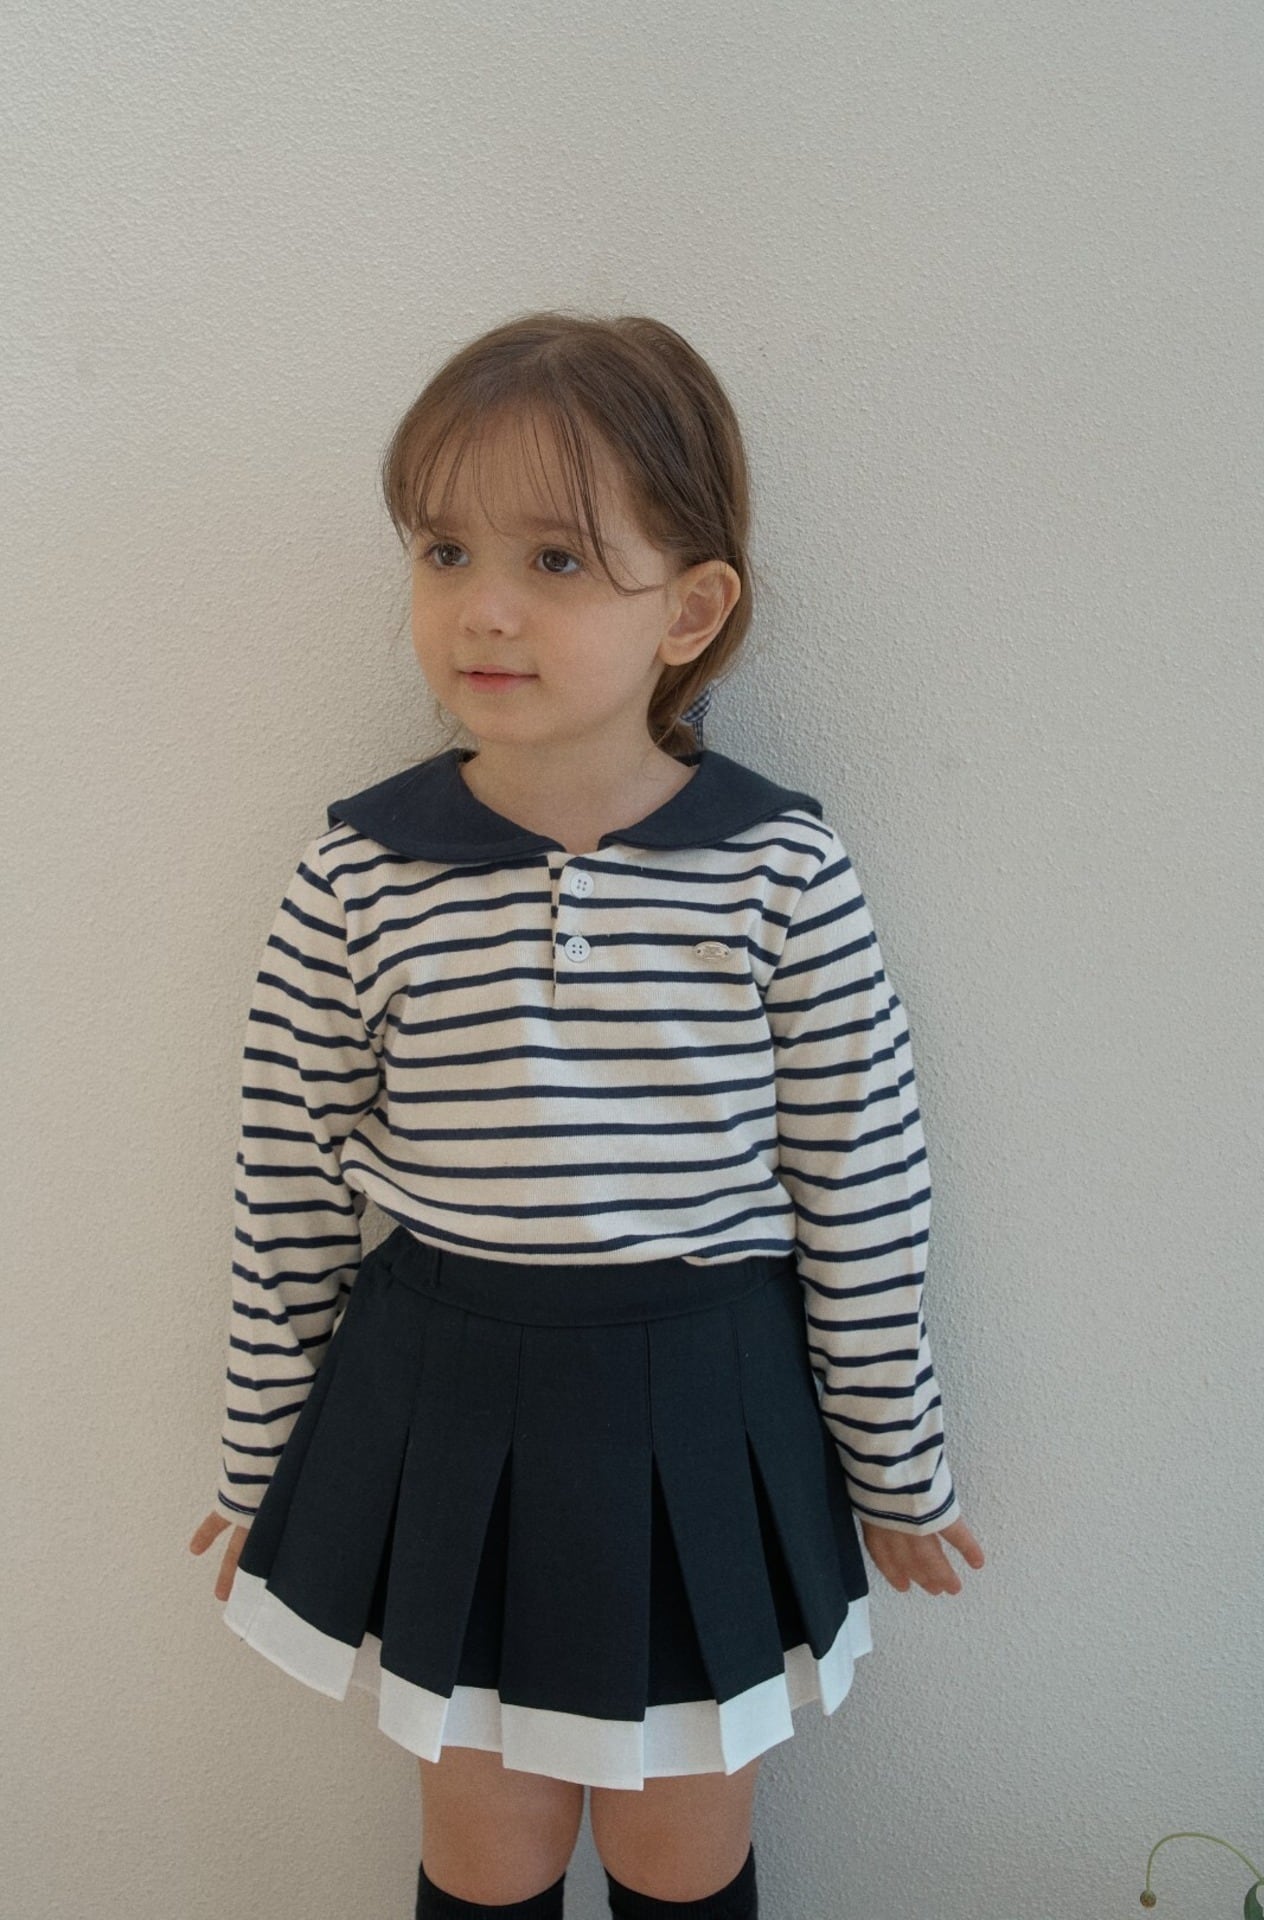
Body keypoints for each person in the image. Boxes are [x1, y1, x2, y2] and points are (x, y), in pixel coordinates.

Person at [188, 311, 985, 1920]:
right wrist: (260, 1451)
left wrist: (895, 1463)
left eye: (556, 560)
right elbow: (288, 1196)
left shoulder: (782, 873)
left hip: (706, 1410)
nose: (483, 607)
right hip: (443, 1410)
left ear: (690, 609)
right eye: (445, 551)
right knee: (488, 1853)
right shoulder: (355, 878)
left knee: (679, 1852)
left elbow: (863, 1187)